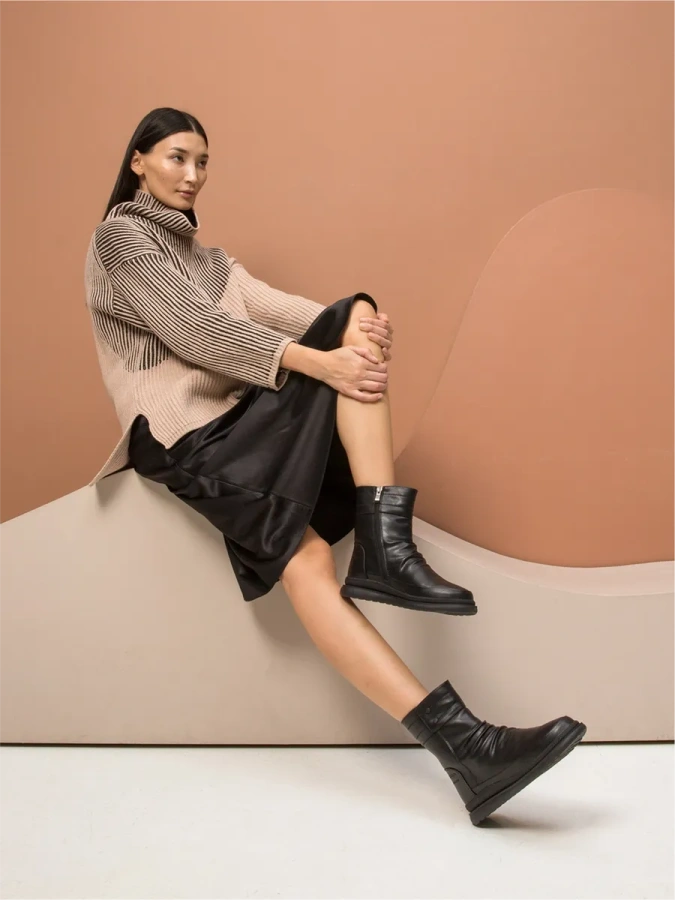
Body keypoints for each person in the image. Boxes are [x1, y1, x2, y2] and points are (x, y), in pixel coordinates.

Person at [84, 106, 586, 826]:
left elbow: (275, 307)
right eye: (176, 158)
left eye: (202, 162)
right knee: (313, 531)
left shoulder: (208, 259)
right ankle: (391, 561)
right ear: (138, 162)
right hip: (184, 439)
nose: (192, 175)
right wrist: (325, 359)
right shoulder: (120, 239)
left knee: (312, 548)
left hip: (236, 426)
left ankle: (467, 749)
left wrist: (363, 325)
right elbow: (195, 332)